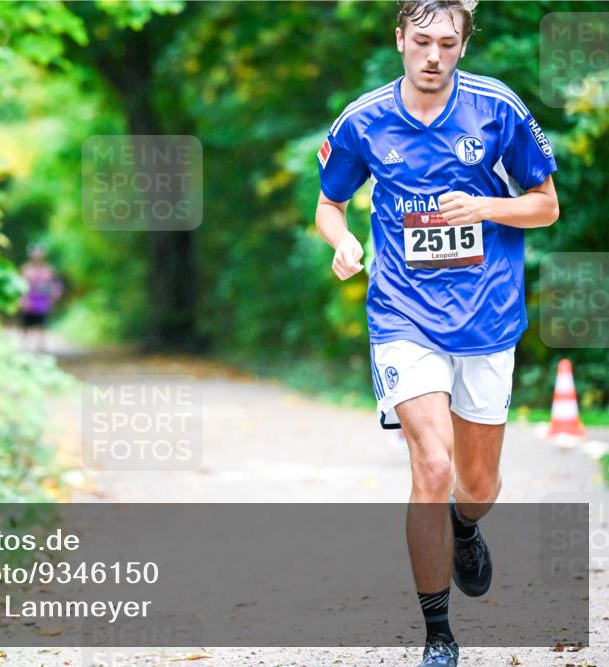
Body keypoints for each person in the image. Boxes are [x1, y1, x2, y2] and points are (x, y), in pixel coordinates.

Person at [314, 1, 559, 665]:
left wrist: (484, 205)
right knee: (432, 462)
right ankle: (438, 634)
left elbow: (546, 204)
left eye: (447, 43)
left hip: (487, 316)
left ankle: (466, 526)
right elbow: (329, 204)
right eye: (420, 41)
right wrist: (341, 244)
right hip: (403, 313)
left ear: (462, 45)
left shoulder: (497, 109)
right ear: (399, 39)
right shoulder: (364, 119)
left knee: (477, 486)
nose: (432, 55)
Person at [18, 243, 63, 352]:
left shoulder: (48, 269)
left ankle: (41, 348)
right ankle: (25, 348)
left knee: (42, 325)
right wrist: (22, 300)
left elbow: (54, 285)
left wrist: (53, 296)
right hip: (29, 300)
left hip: (42, 301)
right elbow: (20, 285)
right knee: (26, 326)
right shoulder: (25, 269)